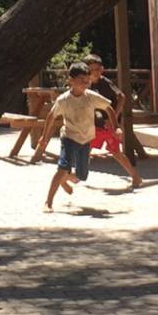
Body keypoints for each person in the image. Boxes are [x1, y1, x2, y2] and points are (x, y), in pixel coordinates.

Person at [42, 63, 110, 211]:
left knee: (82, 176)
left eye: (87, 80)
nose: (85, 83)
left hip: (85, 139)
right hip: (69, 137)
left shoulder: (90, 97)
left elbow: (108, 107)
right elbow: (51, 116)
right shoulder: (63, 100)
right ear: (71, 80)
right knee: (62, 167)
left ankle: (63, 179)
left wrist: (116, 126)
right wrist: (44, 138)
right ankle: (48, 202)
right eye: (81, 80)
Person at [82, 55, 143, 189]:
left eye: (98, 69)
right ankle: (78, 174)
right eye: (92, 70)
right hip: (95, 125)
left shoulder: (105, 83)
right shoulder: (86, 85)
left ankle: (135, 177)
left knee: (116, 152)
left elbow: (121, 96)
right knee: (86, 149)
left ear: (102, 69)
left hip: (108, 125)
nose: (95, 72)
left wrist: (114, 116)